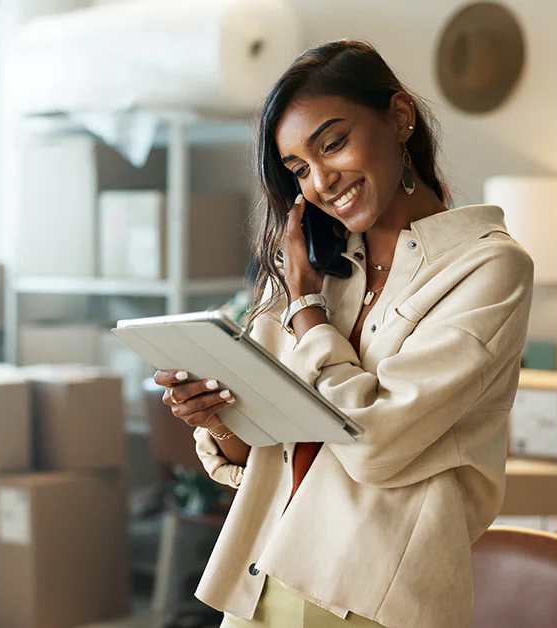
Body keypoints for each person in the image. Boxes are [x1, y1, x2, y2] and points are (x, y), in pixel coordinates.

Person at [154, 40, 534, 628]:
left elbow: (376, 445)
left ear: (400, 117)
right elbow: (264, 450)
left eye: (333, 143)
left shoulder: (486, 268)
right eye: (299, 169)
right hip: (260, 583)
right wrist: (216, 417)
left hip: (372, 597)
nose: (321, 181)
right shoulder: (319, 267)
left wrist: (309, 312)